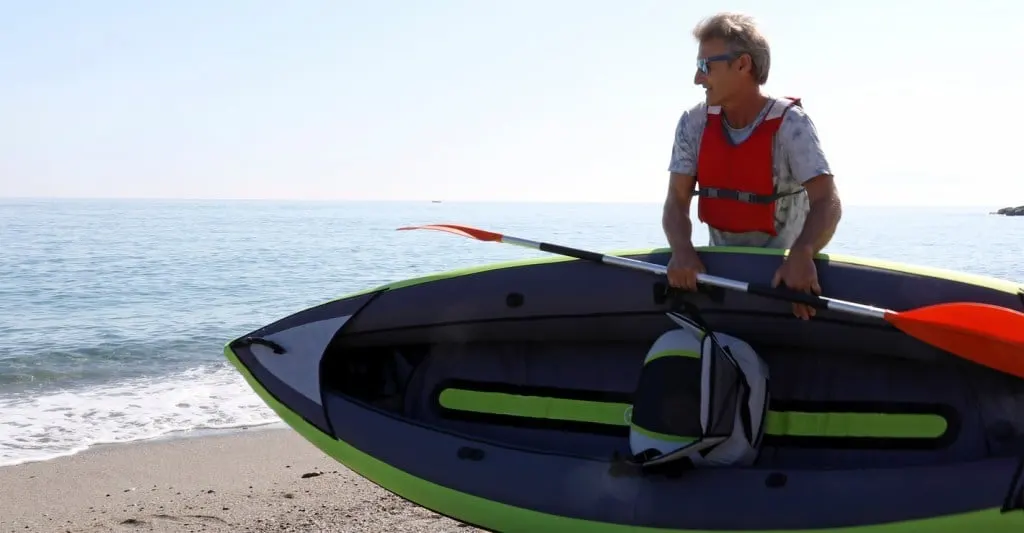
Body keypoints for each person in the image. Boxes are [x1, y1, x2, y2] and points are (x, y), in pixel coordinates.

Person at [662, 12, 843, 320]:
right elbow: (676, 201)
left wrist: (802, 253)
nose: (697, 78)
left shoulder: (791, 125)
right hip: (720, 277)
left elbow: (828, 201)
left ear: (743, 64)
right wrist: (681, 250)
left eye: (705, 66)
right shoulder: (693, 123)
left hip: (783, 281)